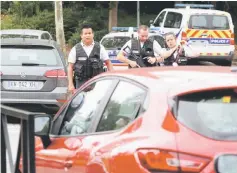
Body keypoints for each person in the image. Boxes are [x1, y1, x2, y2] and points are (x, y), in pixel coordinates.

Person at [67, 24, 114, 92]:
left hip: (97, 82)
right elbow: (70, 67)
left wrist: (112, 79)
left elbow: (108, 63)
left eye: (89, 33)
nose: (87, 35)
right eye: (85, 33)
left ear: (93, 34)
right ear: (81, 35)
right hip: (81, 82)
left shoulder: (100, 47)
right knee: (80, 101)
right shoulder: (75, 49)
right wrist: (70, 84)